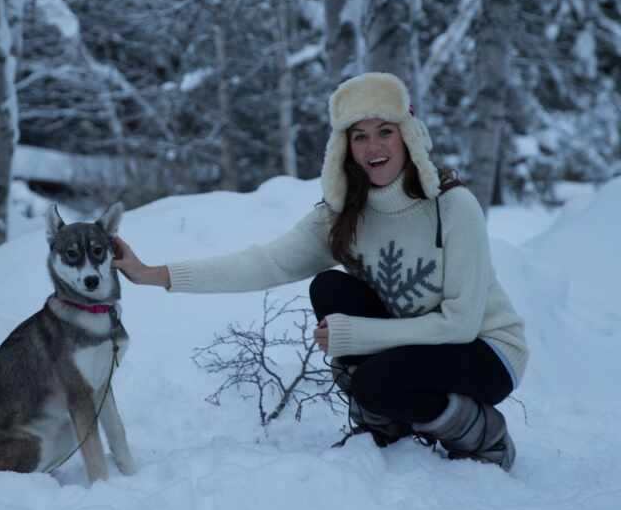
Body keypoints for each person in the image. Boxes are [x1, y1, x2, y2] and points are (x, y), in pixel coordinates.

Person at [112, 72, 527, 472]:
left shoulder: (452, 207)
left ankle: (483, 437)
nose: (372, 146)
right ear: (344, 147)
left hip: (485, 351)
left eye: (385, 131)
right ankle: (387, 424)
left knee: (377, 381)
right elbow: (264, 264)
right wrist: (153, 274)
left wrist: (358, 335)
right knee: (330, 287)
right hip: (418, 345)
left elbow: (461, 323)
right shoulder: (343, 216)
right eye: (359, 136)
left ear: (409, 135)